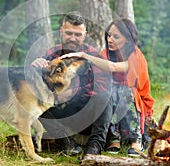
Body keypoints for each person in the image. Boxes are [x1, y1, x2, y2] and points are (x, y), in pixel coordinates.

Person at [31, 11, 127, 157]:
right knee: (34, 97)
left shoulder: (92, 55)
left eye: (78, 35)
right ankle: (66, 142)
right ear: (61, 32)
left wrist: (72, 93)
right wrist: (34, 68)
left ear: (85, 34)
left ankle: (95, 147)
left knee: (105, 96)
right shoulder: (51, 54)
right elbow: (38, 85)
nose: (73, 39)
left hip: (87, 115)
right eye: (69, 33)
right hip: (61, 116)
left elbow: (102, 85)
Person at [60, 18, 154, 157]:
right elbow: (101, 79)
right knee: (108, 91)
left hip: (134, 101)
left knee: (124, 90)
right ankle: (114, 138)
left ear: (127, 39)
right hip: (114, 100)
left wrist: (84, 55)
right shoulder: (106, 53)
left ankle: (136, 140)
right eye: (109, 35)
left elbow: (113, 67)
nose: (110, 39)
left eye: (116, 37)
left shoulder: (135, 55)